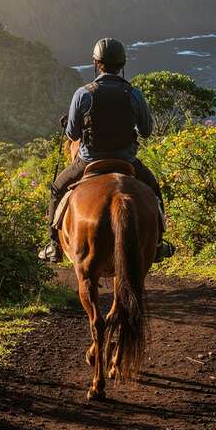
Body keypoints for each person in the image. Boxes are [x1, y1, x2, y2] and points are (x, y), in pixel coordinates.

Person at [39, 37, 175, 264]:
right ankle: (159, 243)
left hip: (88, 161)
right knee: (153, 188)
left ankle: (53, 244)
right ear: (122, 64)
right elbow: (147, 130)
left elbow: (72, 135)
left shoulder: (83, 94)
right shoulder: (134, 94)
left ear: (96, 63)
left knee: (56, 189)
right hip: (127, 161)